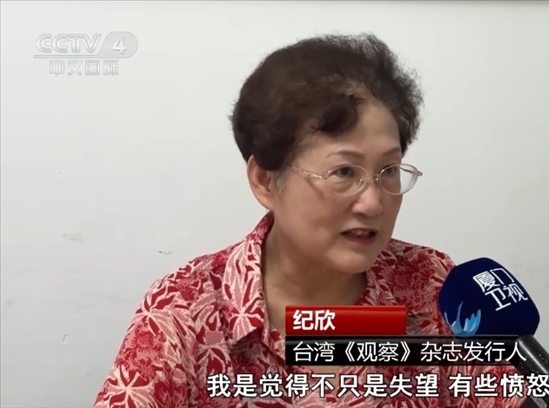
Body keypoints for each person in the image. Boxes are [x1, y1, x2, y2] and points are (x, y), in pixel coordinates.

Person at [94, 33, 524, 408]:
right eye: (344, 172)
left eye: (389, 170)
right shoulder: (184, 311)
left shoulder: (433, 288)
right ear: (265, 180)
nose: (373, 203)